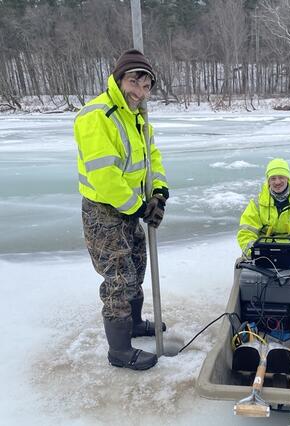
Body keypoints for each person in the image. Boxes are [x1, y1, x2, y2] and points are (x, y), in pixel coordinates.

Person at [74, 49, 168, 371]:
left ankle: (136, 321)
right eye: (134, 82)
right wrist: (140, 207)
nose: (139, 93)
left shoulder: (139, 117)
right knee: (117, 276)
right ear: (119, 79)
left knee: (137, 263)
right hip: (104, 212)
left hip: (129, 208)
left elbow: (152, 157)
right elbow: (104, 175)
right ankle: (119, 350)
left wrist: (160, 190)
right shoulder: (97, 115)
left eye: (146, 87)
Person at [237, 158, 290, 257]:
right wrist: (253, 248)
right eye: (273, 178)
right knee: (243, 262)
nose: (277, 182)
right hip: (265, 249)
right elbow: (246, 231)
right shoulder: (257, 203)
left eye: (281, 177)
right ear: (268, 180)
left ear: (288, 178)